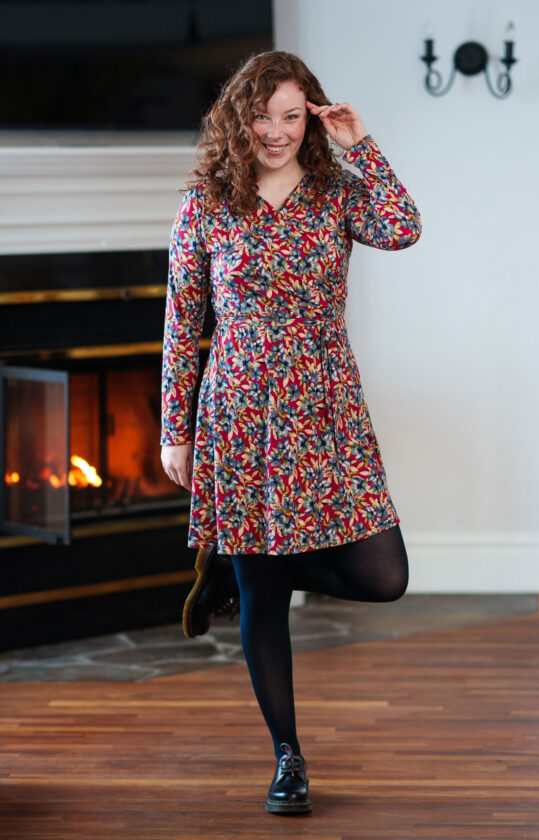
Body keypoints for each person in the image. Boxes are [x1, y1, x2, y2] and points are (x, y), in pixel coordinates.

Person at [161, 50, 422, 815]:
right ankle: (288, 758)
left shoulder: (338, 190)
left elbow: (403, 229)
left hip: (326, 404)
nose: (274, 131)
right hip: (239, 407)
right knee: (266, 596)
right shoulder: (206, 204)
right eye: (260, 114)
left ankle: (234, 575)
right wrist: (175, 431)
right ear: (236, 115)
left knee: (384, 576)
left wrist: (361, 145)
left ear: (311, 116)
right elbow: (183, 327)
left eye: (290, 115)